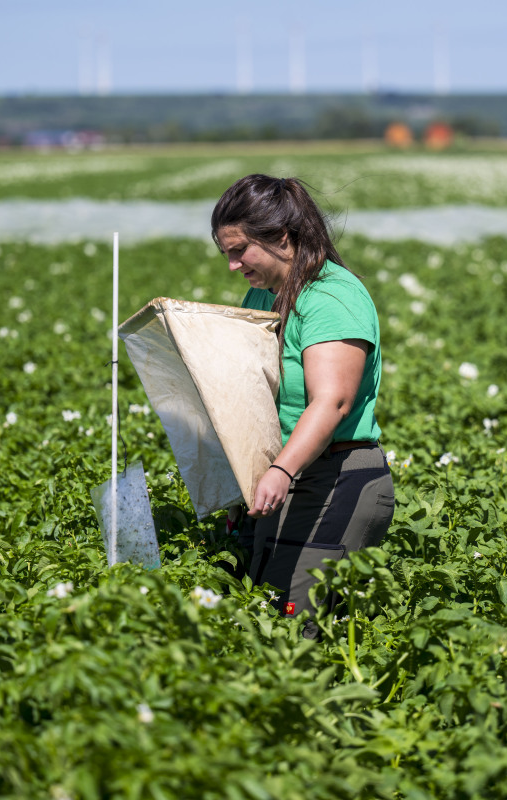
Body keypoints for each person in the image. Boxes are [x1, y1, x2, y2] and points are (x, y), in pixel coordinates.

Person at [212, 174, 395, 638]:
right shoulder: (262, 296)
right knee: (258, 618)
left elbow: (331, 401)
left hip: (336, 478)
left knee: (294, 633)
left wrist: (280, 471)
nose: (233, 265)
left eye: (240, 250)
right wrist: (245, 478)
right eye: (225, 253)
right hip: (286, 475)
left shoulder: (332, 296)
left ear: (282, 238)